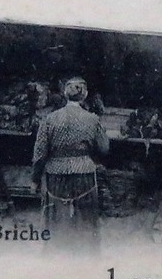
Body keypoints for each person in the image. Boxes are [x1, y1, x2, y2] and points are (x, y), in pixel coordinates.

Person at [32, 77, 111, 246]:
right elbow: (104, 148)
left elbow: (39, 154)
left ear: (64, 94)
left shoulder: (49, 119)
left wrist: (35, 180)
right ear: (85, 95)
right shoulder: (93, 119)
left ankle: (57, 255)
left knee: (56, 220)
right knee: (86, 221)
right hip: (85, 173)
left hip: (55, 174)